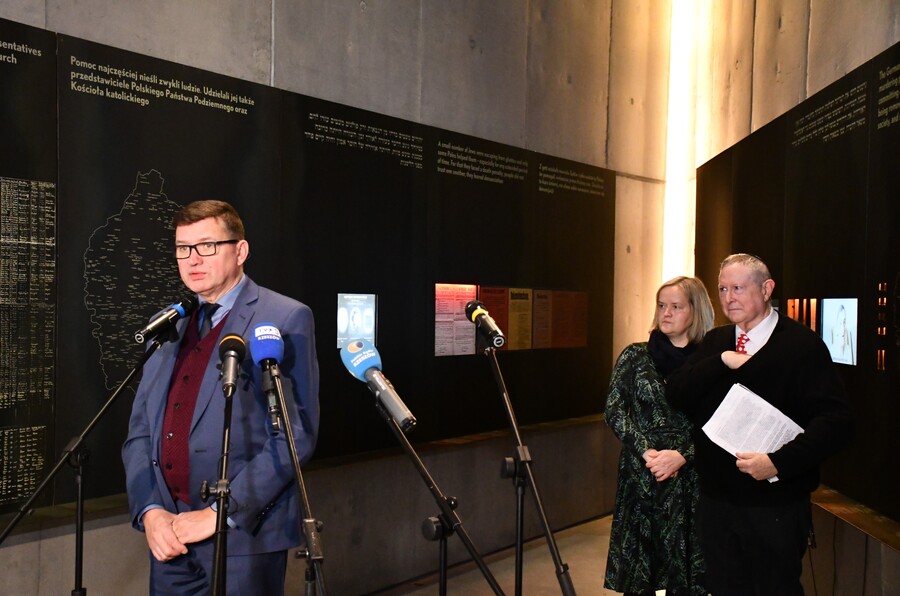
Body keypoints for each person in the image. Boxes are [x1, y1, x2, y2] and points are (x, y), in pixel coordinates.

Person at [122, 200, 319, 595]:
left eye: (207, 245)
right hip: (170, 538)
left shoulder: (283, 317)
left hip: (243, 538)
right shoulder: (169, 324)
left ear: (240, 251)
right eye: (183, 248)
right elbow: (140, 430)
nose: (192, 259)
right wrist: (151, 512)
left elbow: (294, 436)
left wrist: (217, 514)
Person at [666, 253, 852, 595]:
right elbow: (677, 393)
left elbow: (836, 422)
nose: (728, 297)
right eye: (722, 288)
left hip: (775, 505)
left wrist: (778, 462)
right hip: (717, 502)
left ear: (767, 289)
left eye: (738, 287)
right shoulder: (716, 342)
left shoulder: (802, 345)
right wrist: (720, 362)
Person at [604, 276, 714, 596]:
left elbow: (719, 421)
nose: (665, 313)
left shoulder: (709, 361)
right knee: (639, 579)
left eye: (676, 306)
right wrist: (646, 452)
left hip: (689, 478)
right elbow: (614, 410)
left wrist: (682, 455)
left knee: (688, 576)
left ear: (696, 311)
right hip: (642, 475)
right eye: (662, 305)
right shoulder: (635, 356)